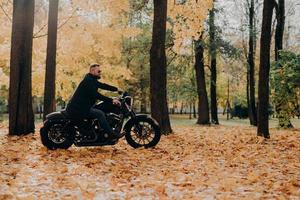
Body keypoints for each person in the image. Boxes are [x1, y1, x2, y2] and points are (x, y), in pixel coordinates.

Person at [65, 63, 122, 139]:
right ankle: (111, 134)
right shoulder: (88, 81)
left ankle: (100, 130)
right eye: (98, 71)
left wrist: (116, 89)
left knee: (101, 109)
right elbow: (96, 95)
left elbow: (103, 86)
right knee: (100, 114)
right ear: (92, 71)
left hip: (83, 107)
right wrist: (111, 100)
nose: (100, 72)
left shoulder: (91, 80)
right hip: (79, 109)